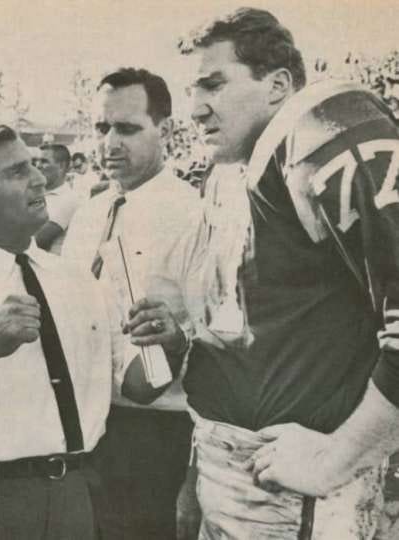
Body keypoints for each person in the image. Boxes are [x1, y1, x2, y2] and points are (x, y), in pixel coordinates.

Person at [156, 7, 399, 539]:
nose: (194, 109)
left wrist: (339, 455)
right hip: (232, 472)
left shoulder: (318, 121)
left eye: (213, 85)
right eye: (190, 91)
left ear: (279, 84)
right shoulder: (229, 172)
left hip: (298, 489)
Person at [0, 125, 186, 540]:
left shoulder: (80, 282)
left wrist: (169, 345)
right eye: (17, 172)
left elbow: (137, 387)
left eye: (36, 165)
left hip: (78, 496)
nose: (40, 178)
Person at [63, 67, 202, 540]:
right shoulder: (89, 213)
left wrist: (195, 476)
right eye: (102, 128)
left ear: (163, 130)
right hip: (81, 431)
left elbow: (219, 338)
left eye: (127, 128)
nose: (109, 143)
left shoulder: (194, 215)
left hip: (156, 434)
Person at [34, 144, 79, 255]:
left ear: (61, 166)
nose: (37, 165)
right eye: (37, 161)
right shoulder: (35, 194)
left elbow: (38, 241)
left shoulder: (69, 199)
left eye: (44, 161)